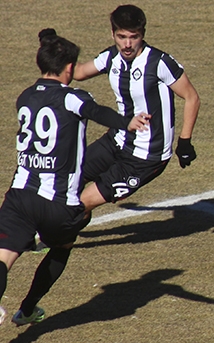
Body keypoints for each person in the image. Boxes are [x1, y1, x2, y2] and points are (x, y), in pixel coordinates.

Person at [0, 29, 149, 325]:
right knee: (62, 245)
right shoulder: (74, 98)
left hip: (20, 198)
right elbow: (99, 112)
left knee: (3, 258)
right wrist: (127, 122)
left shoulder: (24, 97)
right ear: (69, 68)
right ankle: (28, 309)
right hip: (59, 205)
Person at [73, 4, 200, 214]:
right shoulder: (110, 57)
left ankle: (53, 242)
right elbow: (78, 72)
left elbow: (191, 97)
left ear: (143, 35)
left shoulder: (158, 62)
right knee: (64, 181)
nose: (128, 44)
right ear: (112, 33)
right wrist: (55, 47)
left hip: (145, 157)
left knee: (80, 203)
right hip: (116, 141)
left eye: (134, 37)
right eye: (122, 37)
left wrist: (184, 142)